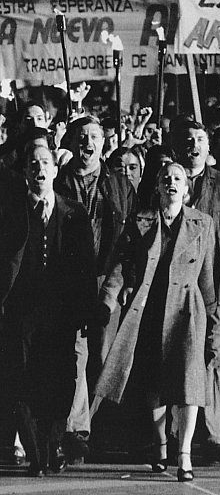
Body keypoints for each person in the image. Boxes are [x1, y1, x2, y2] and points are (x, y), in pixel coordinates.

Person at [93, 162, 216, 482]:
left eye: (178, 179)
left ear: (187, 189)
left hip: (189, 311)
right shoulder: (140, 222)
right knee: (155, 384)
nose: (172, 183)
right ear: (157, 188)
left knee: (189, 383)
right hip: (150, 309)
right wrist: (107, 299)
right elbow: (120, 263)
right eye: (166, 179)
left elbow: (207, 277)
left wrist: (215, 314)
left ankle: (184, 454)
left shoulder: (203, 223)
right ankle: (161, 444)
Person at [0, 144, 96, 476]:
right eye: (33, 164)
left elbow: (86, 268)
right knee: (21, 380)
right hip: (21, 311)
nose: (39, 169)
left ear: (55, 171)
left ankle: (53, 443)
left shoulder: (75, 213)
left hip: (61, 312)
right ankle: (36, 454)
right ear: (25, 172)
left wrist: (85, 312)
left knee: (60, 381)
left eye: (45, 163)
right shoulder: (10, 211)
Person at [54, 115, 136, 459]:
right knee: (76, 353)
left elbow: (131, 236)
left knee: (102, 358)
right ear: (73, 142)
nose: (88, 143)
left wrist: (125, 281)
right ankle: (78, 431)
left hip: (108, 277)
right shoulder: (60, 180)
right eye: (82, 136)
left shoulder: (118, 183)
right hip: (70, 279)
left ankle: (99, 427)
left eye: (95, 137)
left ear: (105, 143)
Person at [171, 119, 220, 464]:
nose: (195, 145)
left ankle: (217, 436)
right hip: (178, 285)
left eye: (200, 139)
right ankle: (176, 435)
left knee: (215, 355)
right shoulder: (169, 179)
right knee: (177, 355)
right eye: (188, 140)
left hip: (215, 284)